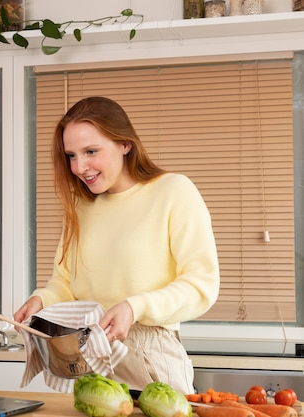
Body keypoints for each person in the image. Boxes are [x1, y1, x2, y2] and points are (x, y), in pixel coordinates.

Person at [14, 96, 220, 394]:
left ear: (125, 144)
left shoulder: (173, 192)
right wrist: (42, 300)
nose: (79, 166)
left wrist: (135, 308)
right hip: (90, 357)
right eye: (71, 155)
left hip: (149, 355)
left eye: (91, 151)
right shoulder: (80, 207)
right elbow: (66, 283)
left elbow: (201, 285)